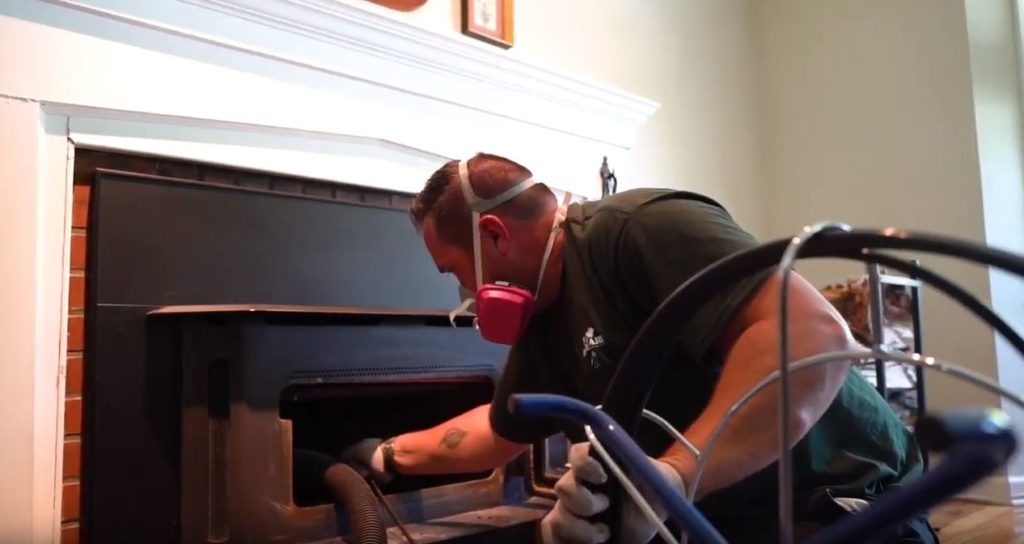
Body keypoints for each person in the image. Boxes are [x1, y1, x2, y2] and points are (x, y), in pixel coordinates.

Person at [343, 153, 936, 543]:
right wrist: (385, 455)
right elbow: (499, 430)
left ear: (493, 236)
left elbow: (810, 336)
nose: (464, 293)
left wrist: (673, 477)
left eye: (454, 272)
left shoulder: (638, 228)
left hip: (847, 502)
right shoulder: (546, 314)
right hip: (731, 519)